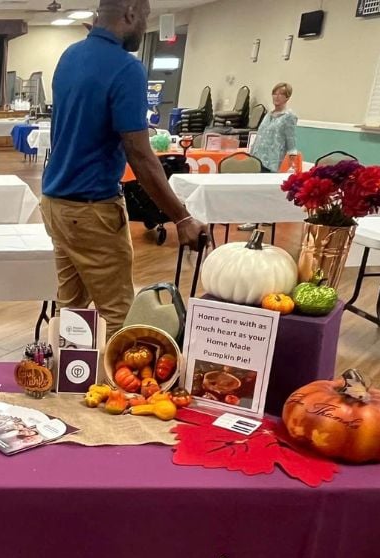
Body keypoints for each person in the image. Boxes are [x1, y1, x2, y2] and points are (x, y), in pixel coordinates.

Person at [41, 0, 208, 332]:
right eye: (145, 17)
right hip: (92, 211)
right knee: (117, 314)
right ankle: (119, 385)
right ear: (131, 12)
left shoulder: (70, 56)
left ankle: (67, 379)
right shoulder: (125, 67)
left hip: (55, 204)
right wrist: (182, 217)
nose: (145, 26)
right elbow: (141, 155)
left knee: (72, 309)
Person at [249, 82, 298, 172]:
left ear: (287, 97)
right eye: (275, 93)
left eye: (281, 94)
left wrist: (292, 163)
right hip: (255, 159)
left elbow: (291, 142)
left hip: (271, 162)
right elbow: (259, 136)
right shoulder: (268, 114)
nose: (277, 96)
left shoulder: (289, 116)